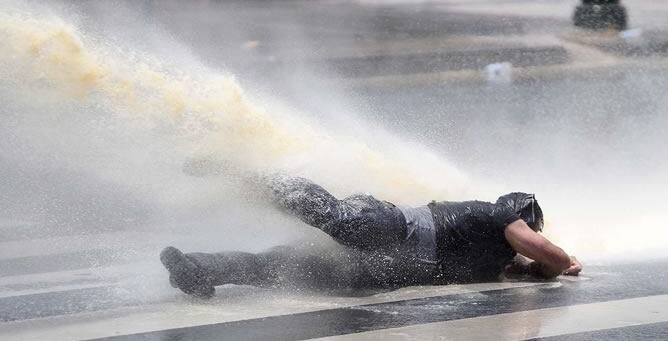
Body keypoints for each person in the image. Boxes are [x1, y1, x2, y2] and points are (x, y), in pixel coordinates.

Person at [160, 172, 582, 298]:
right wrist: (565, 263)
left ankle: (198, 269)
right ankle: (248, 176)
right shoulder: (497, 214)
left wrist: (542, 271)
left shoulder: (498, 262)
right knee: (330, 213)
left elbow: (534, 266)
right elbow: (548, 254)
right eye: (529, 226)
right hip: (390, 227)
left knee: (278, 268)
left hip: (384, 269)